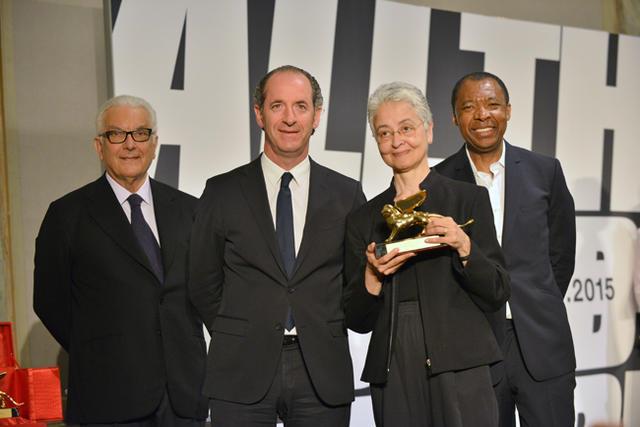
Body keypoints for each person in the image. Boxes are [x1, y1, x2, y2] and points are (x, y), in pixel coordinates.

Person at [188, 65, 366, 427]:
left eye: (301, 106)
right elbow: (202, 281)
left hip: (321, 368)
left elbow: (354, 282)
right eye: (277, 106)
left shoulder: (347, 194)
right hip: (239, 368)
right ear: (259, 114)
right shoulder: (222, 192)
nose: (289, 118)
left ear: (317, 116)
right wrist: (239, 329)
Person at [33, 95, 208, 426]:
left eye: (140, 133)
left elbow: (206, 291)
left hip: (184, 399)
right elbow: (50, 302)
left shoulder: (191, 210)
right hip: (108, 398)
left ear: (154, 144)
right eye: (117, 134)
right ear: (99, 146)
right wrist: (100, 346)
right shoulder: (67, 215)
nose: (130, 144)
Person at [344, 81, 510, 427]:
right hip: (394, 369)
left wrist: (464, 245)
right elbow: (357, 320)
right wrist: (372, 277)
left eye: (406, 128)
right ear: (377, 142)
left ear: (429, 130)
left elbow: (497, 290)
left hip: (462, 363)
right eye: (384, 133)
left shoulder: (468, 200)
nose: (396, 141)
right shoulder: (363, 218)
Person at [435, 71, 577, 427]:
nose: (482, 115)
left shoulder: (544, 171)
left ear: (508, 111)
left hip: (542, 346)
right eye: (469, 107)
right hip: (475, 350)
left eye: (492, 104)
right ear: (454, 117)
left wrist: (534, 302)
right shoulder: (439, 182)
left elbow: (562, 254)